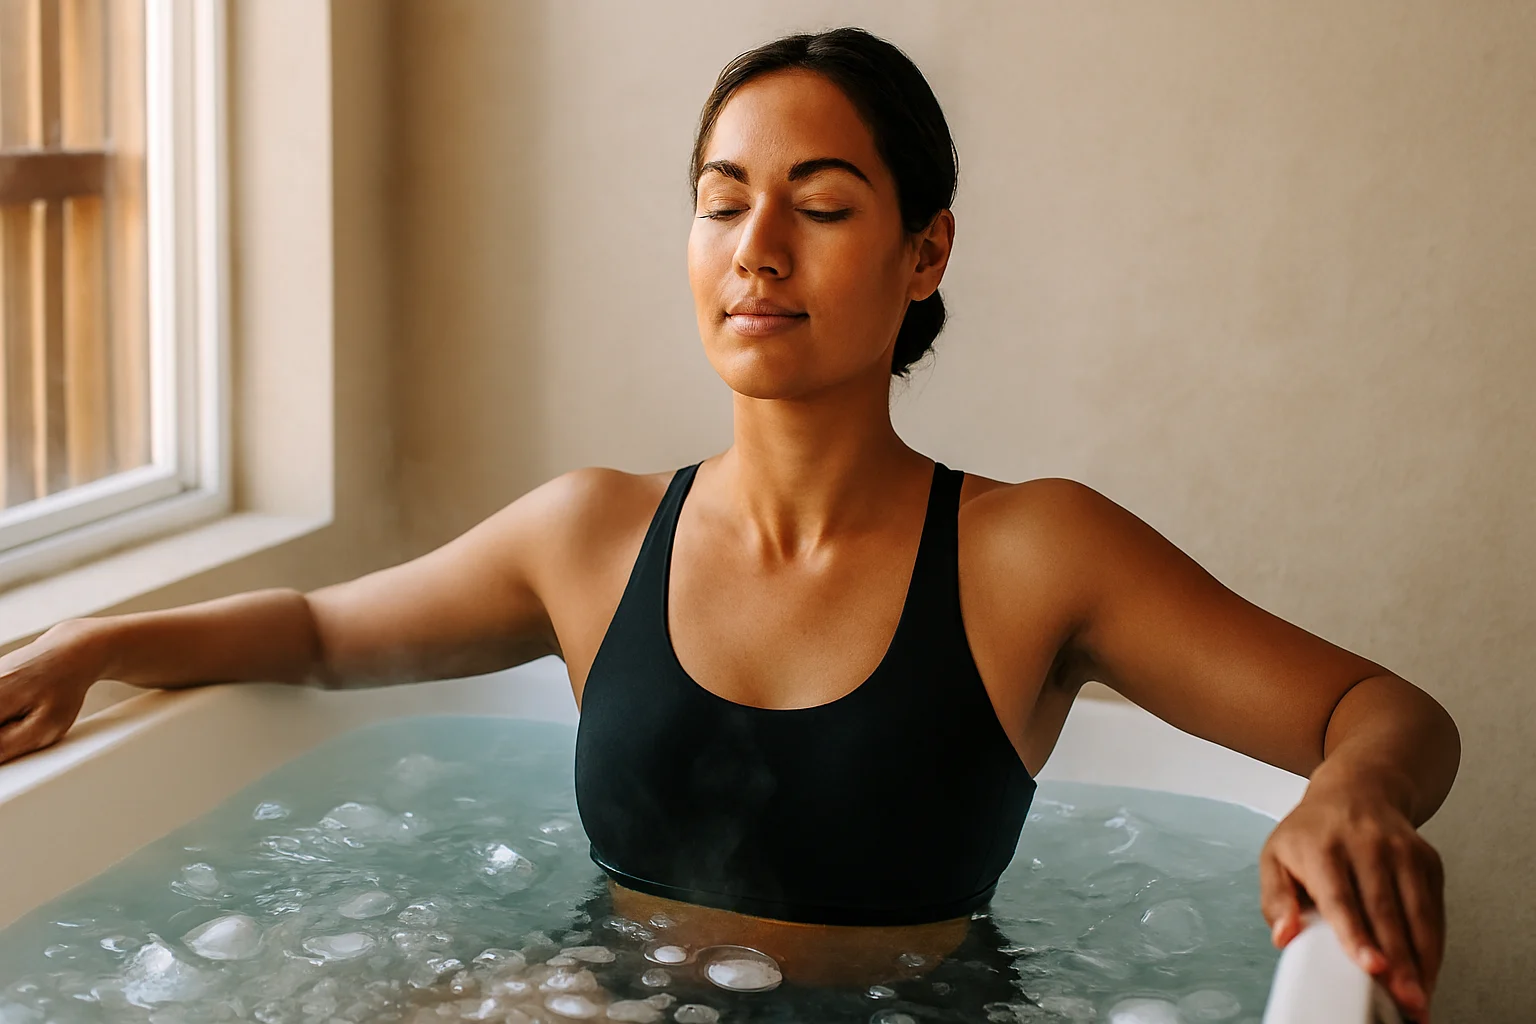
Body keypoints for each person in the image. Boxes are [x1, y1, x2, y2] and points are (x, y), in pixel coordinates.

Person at [0, 26, 1457, 1022]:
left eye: (820, 207)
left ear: (924, 251)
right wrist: (94, 643)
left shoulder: (1034, 555)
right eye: (721, 202)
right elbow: (323, 633)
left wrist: (1351, 789)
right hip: (598, 1001)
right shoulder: (588, 536)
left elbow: (1383, 711)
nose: (755, 250)